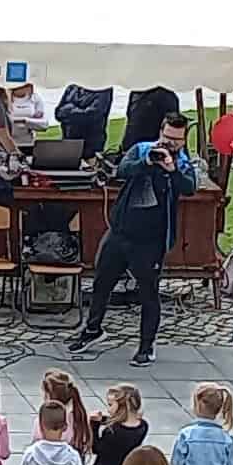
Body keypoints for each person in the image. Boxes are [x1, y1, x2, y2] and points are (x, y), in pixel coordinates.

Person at [67, 120, 197, 364]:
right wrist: (147, 162)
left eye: (176, 139)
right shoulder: (142, 149)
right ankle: (93, 329)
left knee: (148, 292)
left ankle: (146, 345)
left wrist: (171, 169)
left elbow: (189, 187)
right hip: (120, 231)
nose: (169, 143)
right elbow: (122, 170)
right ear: (160, 131)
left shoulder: (182, 163)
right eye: (167, 136)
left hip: (150, 240)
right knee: (101, 282)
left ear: (183, 141)